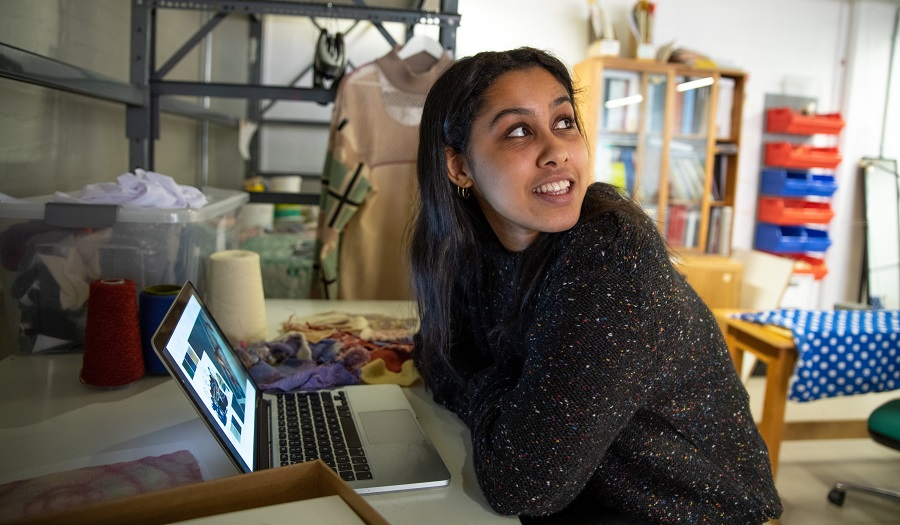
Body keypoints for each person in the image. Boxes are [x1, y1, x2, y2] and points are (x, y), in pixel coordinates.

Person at [409, 47, 783, 524]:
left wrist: (494, 396)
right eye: (519, 130)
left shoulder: (610, 251)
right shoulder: (477, 244)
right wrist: (509, 408)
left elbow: (525, 484)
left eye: (564, 122)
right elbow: (435, 354)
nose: (557, 150)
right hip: (587, 503)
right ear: (458, 166)